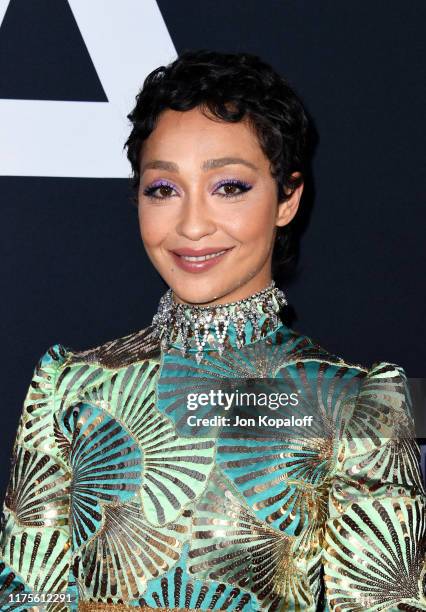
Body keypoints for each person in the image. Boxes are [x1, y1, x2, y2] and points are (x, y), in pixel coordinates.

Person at [0, 50, 425, 611]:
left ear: (288, 198)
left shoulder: (356, 404)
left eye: (229, 187)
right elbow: (30, 599)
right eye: (163, 189)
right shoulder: (69, 386)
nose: (193, 225)